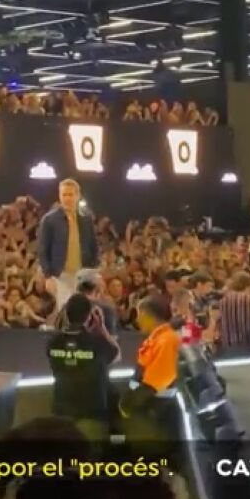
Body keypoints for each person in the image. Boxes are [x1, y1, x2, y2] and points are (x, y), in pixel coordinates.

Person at [47, 293, 121, 442]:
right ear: (89, 316)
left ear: (66, 315)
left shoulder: (53, 342)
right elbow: (116, 355)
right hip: (91, 412)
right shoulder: (96, 342)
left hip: (62, 409)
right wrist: (102, 329)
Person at [38, 179, 99, 309]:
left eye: (70, 194)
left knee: (83, 310)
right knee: (65, 309)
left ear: (77, 195)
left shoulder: (86, 218)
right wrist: (48, 276)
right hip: (60, 274)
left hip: (82, 273)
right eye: (64, 195)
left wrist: (94, 270)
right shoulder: (49, 220)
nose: (67, 198)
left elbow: (93, 244)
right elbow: (43, 250)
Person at [119, 296, 180, 418]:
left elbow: (160, 378)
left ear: (147, 315)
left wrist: (130, 401)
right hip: (148, 405)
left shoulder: (166, 340)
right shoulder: (157, 338)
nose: (137, 320)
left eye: (139, 315)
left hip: (156, 409)